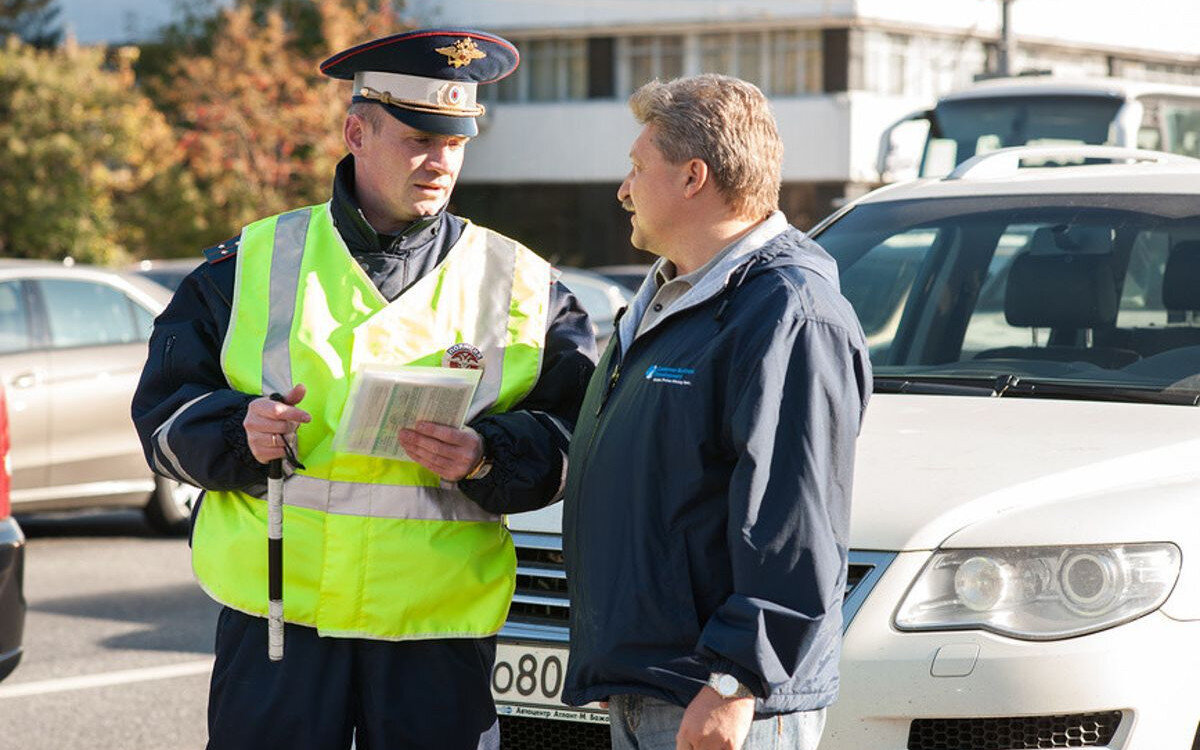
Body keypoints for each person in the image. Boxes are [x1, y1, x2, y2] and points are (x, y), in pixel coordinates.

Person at [131, 28, 596, 750]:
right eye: (418, 139)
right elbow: (162, 423)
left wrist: (486, 455)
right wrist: (235, 434)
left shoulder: (525, 287)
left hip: (434, 632)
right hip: (281, 628)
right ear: (356, 131)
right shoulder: (245, 266)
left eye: (456, 142)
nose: (440, 162)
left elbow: (577, 441)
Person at [560, 74, 872, 750]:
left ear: (693, 176)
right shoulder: (670, 299)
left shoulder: (788, 313)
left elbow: (797, 521)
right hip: (661, 688)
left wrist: (736, 682)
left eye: (638, 168)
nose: (624, 189)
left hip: (723, 701)